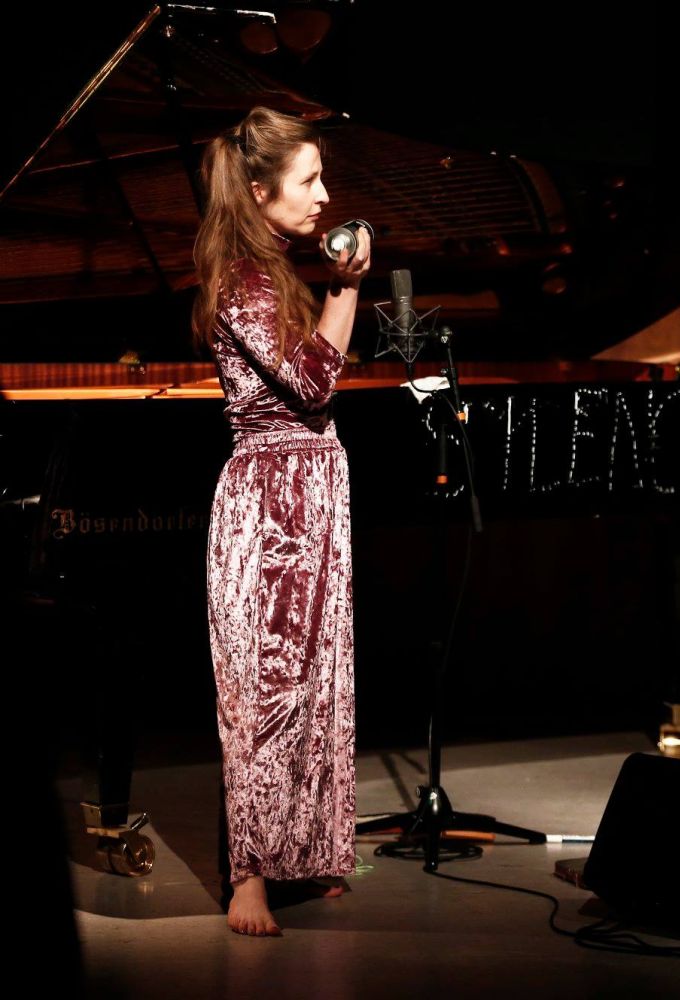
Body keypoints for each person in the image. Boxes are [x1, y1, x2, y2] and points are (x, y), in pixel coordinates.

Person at [191, 106, 371, 936]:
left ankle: (303, 851)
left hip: (310, 491)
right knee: (262, 688)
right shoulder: (243, 280)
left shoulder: (276, 272)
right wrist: (349, 288)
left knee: (315, 680)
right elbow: (313, 382)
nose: (324, 195)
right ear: (260, 192)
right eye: (309, 180)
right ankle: (249, 876)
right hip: (269, 504)